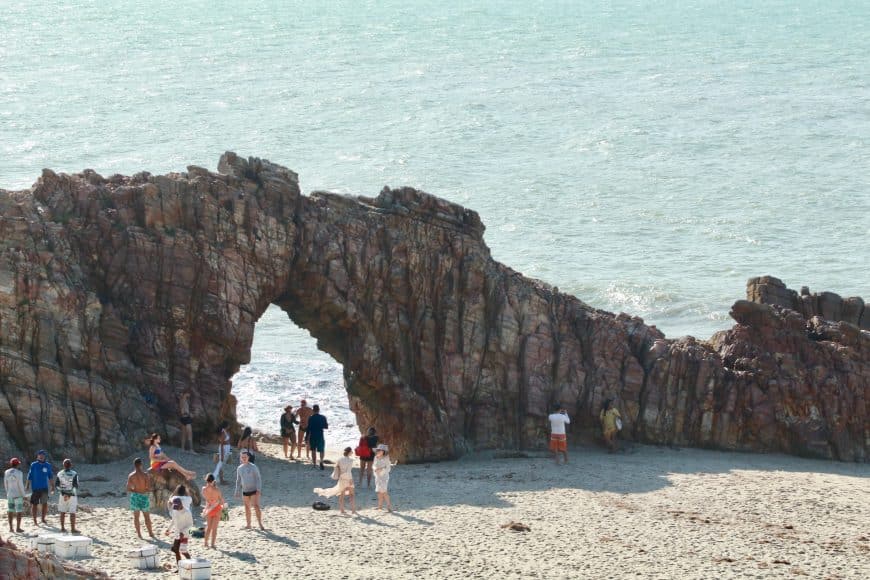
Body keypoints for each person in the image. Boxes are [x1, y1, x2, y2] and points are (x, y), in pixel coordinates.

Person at [314, 447, 356, 515]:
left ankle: (342, 510)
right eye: (352, 451)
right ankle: (353, 510)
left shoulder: (340, 459)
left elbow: (336, 468)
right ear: (349, 452)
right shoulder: (350, 460)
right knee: (352, 495)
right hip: (348, 478)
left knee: (342, 495)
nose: (352, 453)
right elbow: (348, 471)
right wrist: (351, 480)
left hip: (342, 478)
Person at [233, 450, 264, 530]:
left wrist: (258, 489)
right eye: (242, 457)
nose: (243, 458)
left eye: (245, 457)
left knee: (256, 506)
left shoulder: (253, 467)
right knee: (247, 507)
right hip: (245, 490)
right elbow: (238, 480)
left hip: (254, 490)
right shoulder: (239, 468)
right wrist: (237, 490)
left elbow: (258, 478)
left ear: (248, 457)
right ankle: (248, 524)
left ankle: (260, 523)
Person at [126, 458, 155, 539]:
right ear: (141, 465)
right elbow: (149, 488)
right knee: (147, 517)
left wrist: (135, 490)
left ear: (134, 465)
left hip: (135, 496)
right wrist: (144, 490)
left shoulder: (131, 476)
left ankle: (139, 534)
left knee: (136, 517)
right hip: (143, 496)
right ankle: (151, 533)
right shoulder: (145, 475)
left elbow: (128, 488)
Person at [25, 450, 54, 526]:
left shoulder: (48, 465)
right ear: (37, 456)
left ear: (45, 456)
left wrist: (52, 486)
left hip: (44, 488)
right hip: (35, 488)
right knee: (34, 504)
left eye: (43, 455)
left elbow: (50, 476)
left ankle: (43, 519)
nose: (41, 456)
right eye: (39, 455)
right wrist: (27, 485)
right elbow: (29, 476)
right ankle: (35, 520)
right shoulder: (33, 465)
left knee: (44, 503)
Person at [165, 496, 193, 568]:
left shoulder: (187, 512)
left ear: (181, 504)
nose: (176, 508)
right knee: (176, 551)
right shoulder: (175, 510)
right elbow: (173, 520)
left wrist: (183, 532)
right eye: (175, 506)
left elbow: (191, 525)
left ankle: (191, 565)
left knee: (183, 551)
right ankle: (179, 567)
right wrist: (168, 529)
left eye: (177, 506)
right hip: (177, 534)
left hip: (185, 534)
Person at [55, 459, 80, 534]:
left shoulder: (59, 473)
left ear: (63, 465)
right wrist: (70, 494)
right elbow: (76, 486)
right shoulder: (74, 473)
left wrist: (63, 493)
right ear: (71, 465)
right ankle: (73, 529)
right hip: (72, 495)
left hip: (63, 496)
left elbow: (57, 485)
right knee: (72, 512)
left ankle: (62, 528)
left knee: (62, 511)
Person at [201, 474, 225, 548]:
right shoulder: (216, 490)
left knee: (208, 527)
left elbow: (206, 500)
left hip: (208, 509)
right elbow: (221, 500)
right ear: (213, 481)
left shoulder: (203, 489)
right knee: (214, 528)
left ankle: (205, 543)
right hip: (217, 509)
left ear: (206, 480)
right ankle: (212, 544)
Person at [4, 458, 26, 533]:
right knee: (18, 511)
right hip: (18, 495)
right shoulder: (19, 473)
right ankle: (18, 528)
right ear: (17, 464)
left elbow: (5, 484)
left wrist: (8, 492)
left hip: (10, 494)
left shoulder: (6, 472)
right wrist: (23, 495)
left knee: (10, 510)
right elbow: (20, 485)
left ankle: (11, 528)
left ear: (11, 464)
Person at [306, 404, 328, 470]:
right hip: (320, 435)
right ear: (319, 410)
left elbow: (308, 428)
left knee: (313, 450)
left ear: (313, 410)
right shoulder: (323, 417)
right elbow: (326, 427)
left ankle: (314, 464)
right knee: (321, 449)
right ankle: (321, 461)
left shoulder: (310, 418)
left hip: (313, 435)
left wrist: (307, 437)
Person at [373, 444, 393, 512]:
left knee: (384, 492)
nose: (379, 451)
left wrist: (381, 469)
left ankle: (389, 507)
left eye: (380, 450)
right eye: (378, 450)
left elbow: (388, 468)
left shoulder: (386, 458)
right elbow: (374, 465)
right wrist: (375, 469)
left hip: (384, 476)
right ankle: (380, 506)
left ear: (384, 451)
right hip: (377, 476)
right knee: (379, 491)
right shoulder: (376, 457)